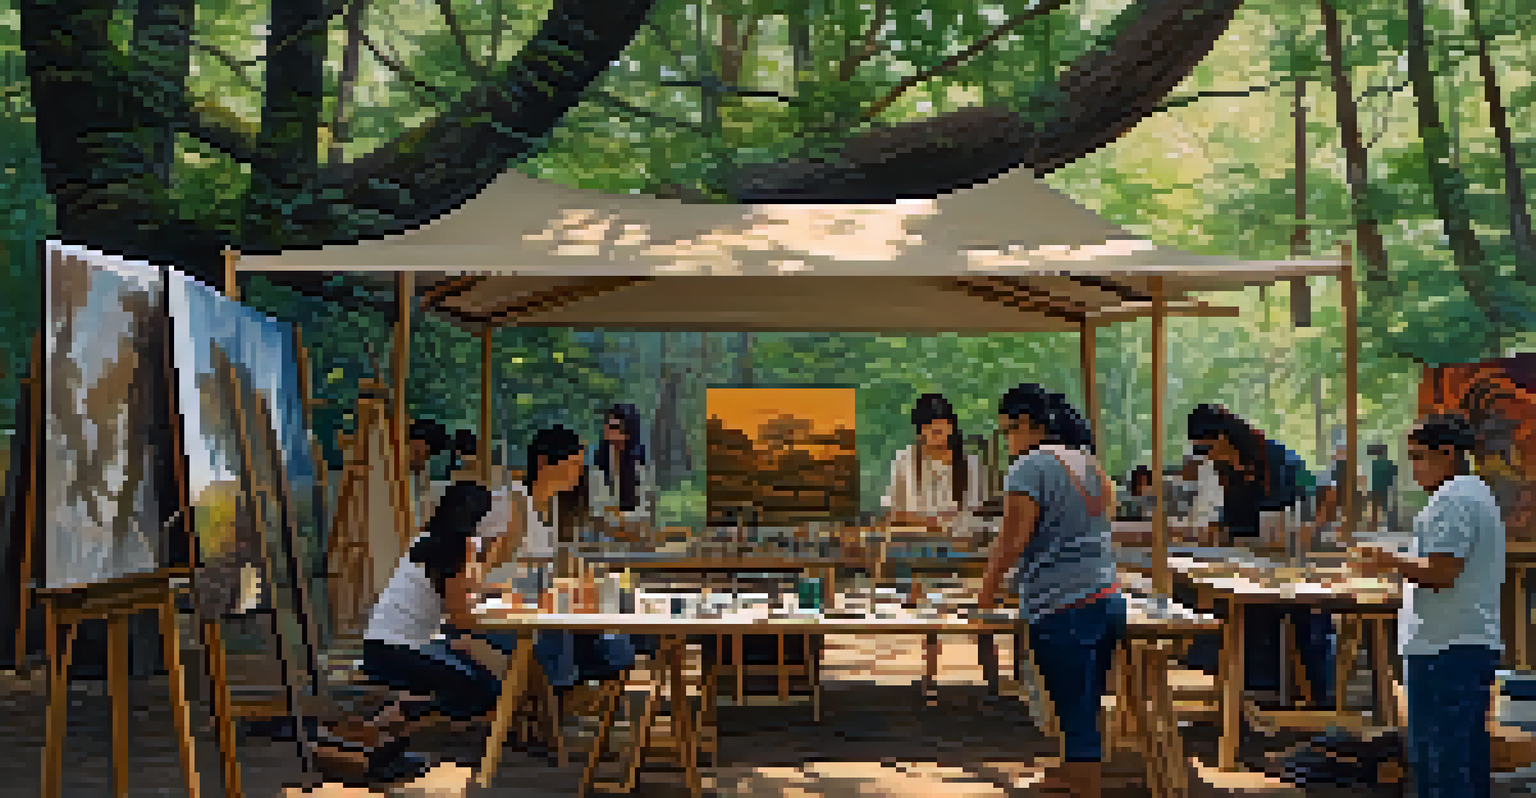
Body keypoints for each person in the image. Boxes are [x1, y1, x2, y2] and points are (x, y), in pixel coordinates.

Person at [980, 384, 1124, 798]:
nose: (1007, 440)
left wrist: (984, 595)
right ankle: (1074, 770)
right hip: (1106, 595)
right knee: (1085, 699)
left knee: (1068, 699)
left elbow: (1011, 541)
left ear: (1028, 425)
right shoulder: (1090, 465)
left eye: (1008, 430)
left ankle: (1082, 782)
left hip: (1062, 603)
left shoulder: (1030, 467)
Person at [1351, 414, 1504, 798]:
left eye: (1419, 457)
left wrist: (1387, 559)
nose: (1413, 467)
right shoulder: (1475, 493)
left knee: (1442, 770)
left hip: (1444, 648)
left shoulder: (1453, 499)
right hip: (1465, 643)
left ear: (1448, 454)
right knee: (1464, 764)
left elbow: (1441, 571)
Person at [311, 479, 500, 785]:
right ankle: (383, 730)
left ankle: (384, 727)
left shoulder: (426, 540)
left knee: (471, 671)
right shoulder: (455, 550)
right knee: (483, 687)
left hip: (382, 647)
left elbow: (458, 596)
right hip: (401, 652)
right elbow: (461, 617)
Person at [1184, 404, 1335, 708]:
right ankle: (1251, 696)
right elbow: (1225, 520)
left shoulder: (1278, 458)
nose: (1206, 456)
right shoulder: (1222, 469)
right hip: (1244, 561)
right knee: (1230, 614)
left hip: (1286, 561)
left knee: (1302, 619)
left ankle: (1312, 698)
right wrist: (1212, 538)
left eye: (1207, 448)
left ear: (1225, 437)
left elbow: (1326, 492)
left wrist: (1312, 528)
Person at [882, 393, 984, 537]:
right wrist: (934, 521)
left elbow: (973, 515)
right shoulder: (904, 460)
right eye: (931, 429)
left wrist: (924, 519)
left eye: (942, 430)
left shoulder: (970, 464)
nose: (937, 435)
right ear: (920, 431)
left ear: (952, 428)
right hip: (912, 544)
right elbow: (893, 513)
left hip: (958, 544)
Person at [589, 404, 654, 540]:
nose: (607, 430)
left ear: (628, 431)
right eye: (607, 424)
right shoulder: (599, 459)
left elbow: (645, 508)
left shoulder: (640, 463)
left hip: (634, 534)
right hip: (603, 534)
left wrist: (622, 516)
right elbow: (595, 506)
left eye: (614, 427)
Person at [1368, 443, 1399, 532]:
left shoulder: (1375, 464)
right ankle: (1391, 527)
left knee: (1377, 510)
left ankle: (1374, 528)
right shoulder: (1389, 464)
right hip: (1386, 489)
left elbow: (1373, 479)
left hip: (1378, 490)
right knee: (1388, 509)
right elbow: (1394, 474)